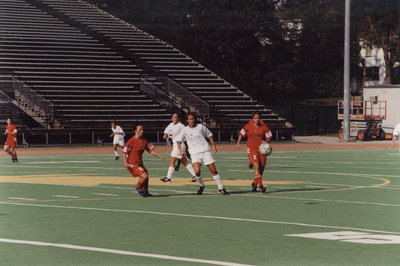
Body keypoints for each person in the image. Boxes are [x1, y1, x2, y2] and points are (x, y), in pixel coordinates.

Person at [176, 113, 229, 195]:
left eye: (193, 118)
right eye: (190, 119)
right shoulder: (185, 130)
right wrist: (180, 150)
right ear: (187, 120)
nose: (192, 120)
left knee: (213, 170)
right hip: (194, 153)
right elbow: (178, 141)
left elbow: (209, 135)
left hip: (205, 151)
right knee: (197, 172)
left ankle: (221, 188)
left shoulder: (200, 127)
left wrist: (213, 145)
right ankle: (201, 185)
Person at [122, 124, 164, 197]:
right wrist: (125, 162)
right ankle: (138, 187)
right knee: (144, 176)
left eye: (142, 129)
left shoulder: (144, 140)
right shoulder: (131, 141)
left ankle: (145, 192)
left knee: (146, 176)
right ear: (135, 131)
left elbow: (150, 150)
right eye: (140, 129)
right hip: (133, 163)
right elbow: (124, 152)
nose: (142, 131)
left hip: (140, 163)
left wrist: (158, 155)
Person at [236, 112, 272, 193]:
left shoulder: (264, 127)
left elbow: (269, 136)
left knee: (261, 168)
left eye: (258, 118)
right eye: (255, 118)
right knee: (256, 166)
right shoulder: (248, 126)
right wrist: (238, 143)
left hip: (261, 149)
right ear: (253, 119)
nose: (257, 119)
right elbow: (241, 134)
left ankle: (255, 183)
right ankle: (261, 186)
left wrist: (265, 141)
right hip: (251, 149)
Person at [161, 113, 197, 183]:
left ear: (178, 118)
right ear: (172, 118)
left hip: (180, 145)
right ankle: (195, 175)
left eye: (176, 117)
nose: (175, 118)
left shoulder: (181, 126)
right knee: (184, 162)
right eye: (173, 117)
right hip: (176, 145)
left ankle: (168, 178)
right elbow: (167, 131)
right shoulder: (171, 125)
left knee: (172, 161)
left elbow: (187, 133)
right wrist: (165, 135)